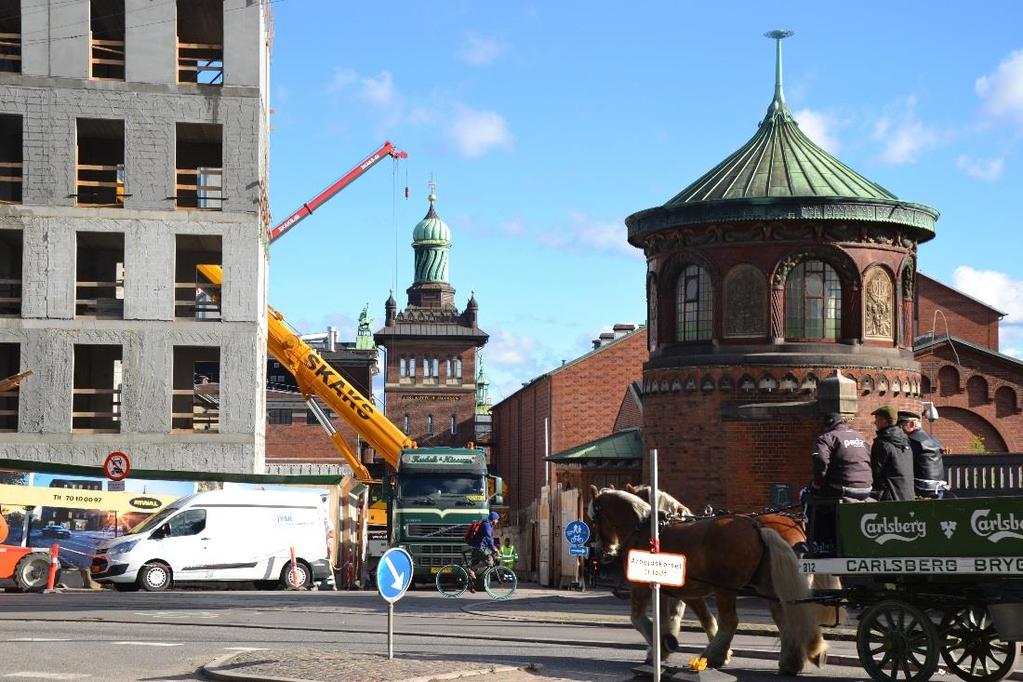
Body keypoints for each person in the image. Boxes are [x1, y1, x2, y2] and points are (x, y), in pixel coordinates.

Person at [804, 412, 873, 554]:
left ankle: (819, 543)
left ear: (827, 425)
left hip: (844, 489)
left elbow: (821, 461)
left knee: (807, 495)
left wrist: (817, 483)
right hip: (866, 489)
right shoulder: (859, 437)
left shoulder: (827, 438)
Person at [870, 405, 915, 501]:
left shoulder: (882, 443)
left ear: (884, 421)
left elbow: (875, 471)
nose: (875, 422)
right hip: (907, 495)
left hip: (889, 496)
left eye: (877, 419)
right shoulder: (905, 440)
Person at [898, 410, 947, 498]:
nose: (899, 430)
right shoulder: (933, 439)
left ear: (912, 424)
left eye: (901, 426)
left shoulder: (913, 441)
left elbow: (904, 464)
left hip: (921, 487)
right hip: (938, 487)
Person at [467, 511, 500, 592]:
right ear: (494, 519)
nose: (497, 521)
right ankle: (471, 569)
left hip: (478, 547)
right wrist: (494, 548)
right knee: (489, 562)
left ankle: (471, 586)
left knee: (475, 570)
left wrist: (492, 547)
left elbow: (488, 539)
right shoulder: (487, 525)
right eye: (497, 519)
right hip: (479, 547)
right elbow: (489, 538)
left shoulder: (488, 524)